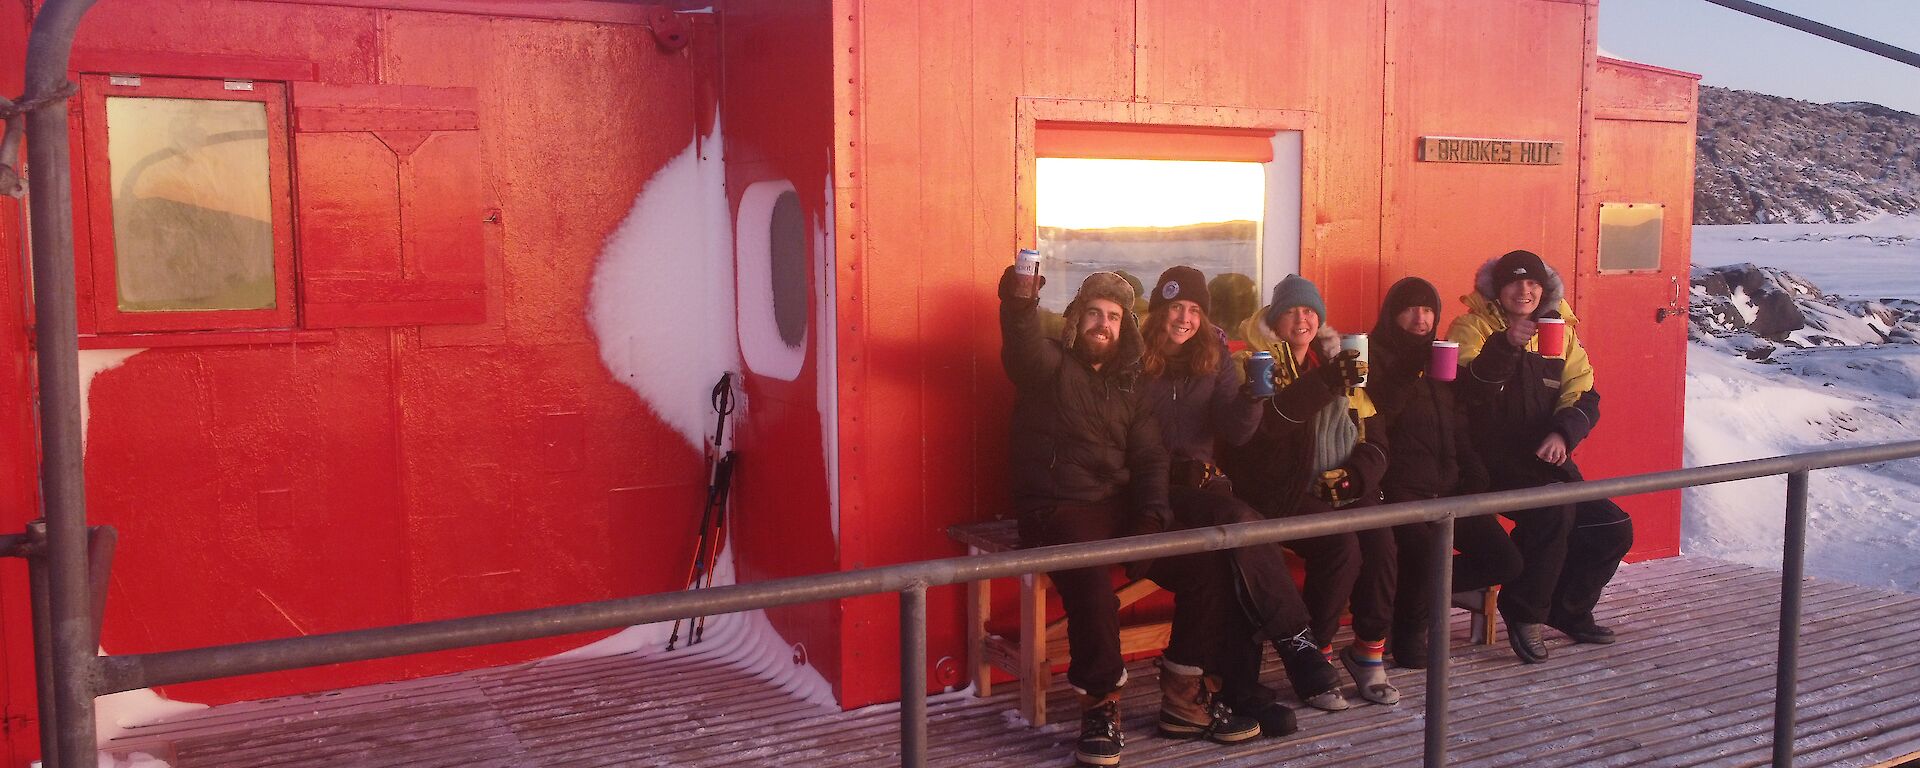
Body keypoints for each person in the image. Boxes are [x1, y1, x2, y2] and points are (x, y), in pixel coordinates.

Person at [999, 267, 1258, 766]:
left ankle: (1184, 696)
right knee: (1094, 577)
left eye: (1113, 316)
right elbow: (1021, 343)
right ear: (1076, 320)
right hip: (1056, 507)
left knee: (1205, 565)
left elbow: (1151, 459)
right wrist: (1019, 300)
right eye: (1094, 313)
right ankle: (1100, 706)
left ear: (1125, 327)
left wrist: (1152, 518)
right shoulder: (1048, 365)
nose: (1103, 323)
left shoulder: (1129, 385)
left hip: (1114, 507)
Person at [1136, 267, 1344, 736]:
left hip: (1203, 489)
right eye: (1176, 308)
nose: (1185, 318)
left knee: (1237, 552)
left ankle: (1241, 689)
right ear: (1158, 312)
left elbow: (1238, 431)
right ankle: (1295, 642)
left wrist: (1253, 396)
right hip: (1151, 492)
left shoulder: (1214, 358)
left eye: (1194, 309)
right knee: (1240, 523)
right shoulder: (1133, 361)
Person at [1218, 274, 1398, 708]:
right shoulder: (1255, 361)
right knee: (1341, 545)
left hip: (1338, 485)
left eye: (1309, 310)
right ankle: (1315, 654)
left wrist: (1356, 475)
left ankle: (1369, 652)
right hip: (1278, 488)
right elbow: (1265, 433)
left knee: (1382, 540)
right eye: (1291, 311)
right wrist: (1323, 384)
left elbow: (1374, 437)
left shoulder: (1337, 358)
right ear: (1275, 319)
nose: (1302, 318)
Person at [1448, 249, 1635, 664]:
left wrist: (1562, 432)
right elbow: (1466, 395)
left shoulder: (1559, 331)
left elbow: (1584, 392)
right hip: (1487, 460)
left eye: (1532, 283)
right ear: (1498, 289)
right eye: (1514, 282)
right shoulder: (1472, 328)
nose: (1524, 290)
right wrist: (1503, 347)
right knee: (1552, 512)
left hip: (1545, 458)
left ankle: (1568, 611)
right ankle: (1525, 612)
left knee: (1612, 527)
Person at [1365, 276, 1523, 669]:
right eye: (1411, 308)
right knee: (1422, 556)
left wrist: (1473, 474)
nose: (1421, 317)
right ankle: (1408, 633)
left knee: (1505, 561)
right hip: (1402, 493)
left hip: (1448, 491)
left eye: (1428, 309)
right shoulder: (1372, 356)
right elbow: (1380, 414)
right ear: (1392, 313)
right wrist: (1410, 367)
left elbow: (1459, 422)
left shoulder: (1441, 357)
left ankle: (1413, 593)